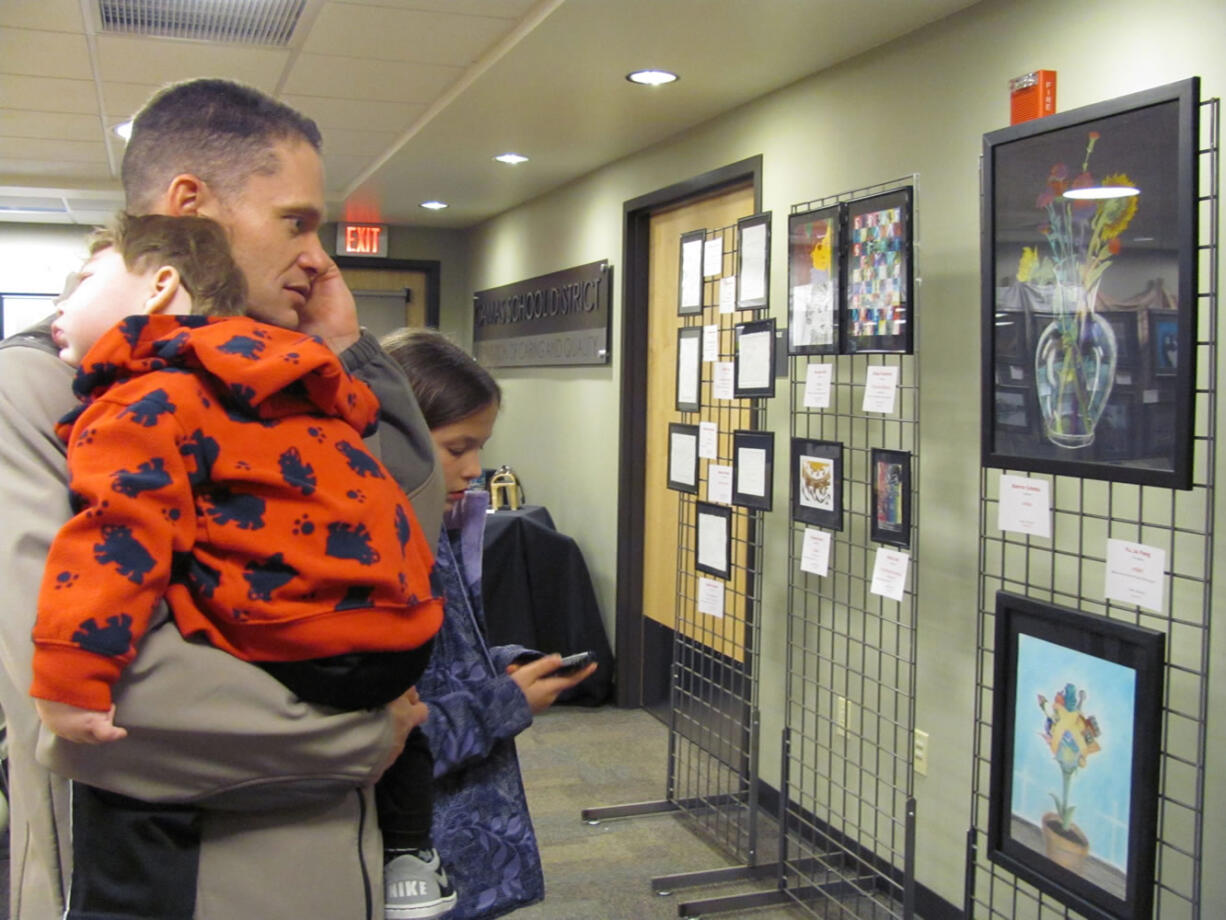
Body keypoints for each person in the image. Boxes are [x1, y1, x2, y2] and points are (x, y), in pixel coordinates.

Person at [0, 78, 442, 919]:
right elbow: (112, 697)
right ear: (191, 207)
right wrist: (364, 733)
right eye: (298, 222)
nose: (320, 255)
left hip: (326, 860)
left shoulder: (277, 375)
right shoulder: (44, 389)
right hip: (175, 881)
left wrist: (349, 354)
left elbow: (396, 560)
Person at [382, 328, 598, 920]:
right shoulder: (371, 553)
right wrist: (504, 702)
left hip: (464, 837)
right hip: (415, 861)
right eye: (457, 448)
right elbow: (379, 740)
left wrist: (496, 662)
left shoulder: (434, 525)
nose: (476, 468)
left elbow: (439, 661)